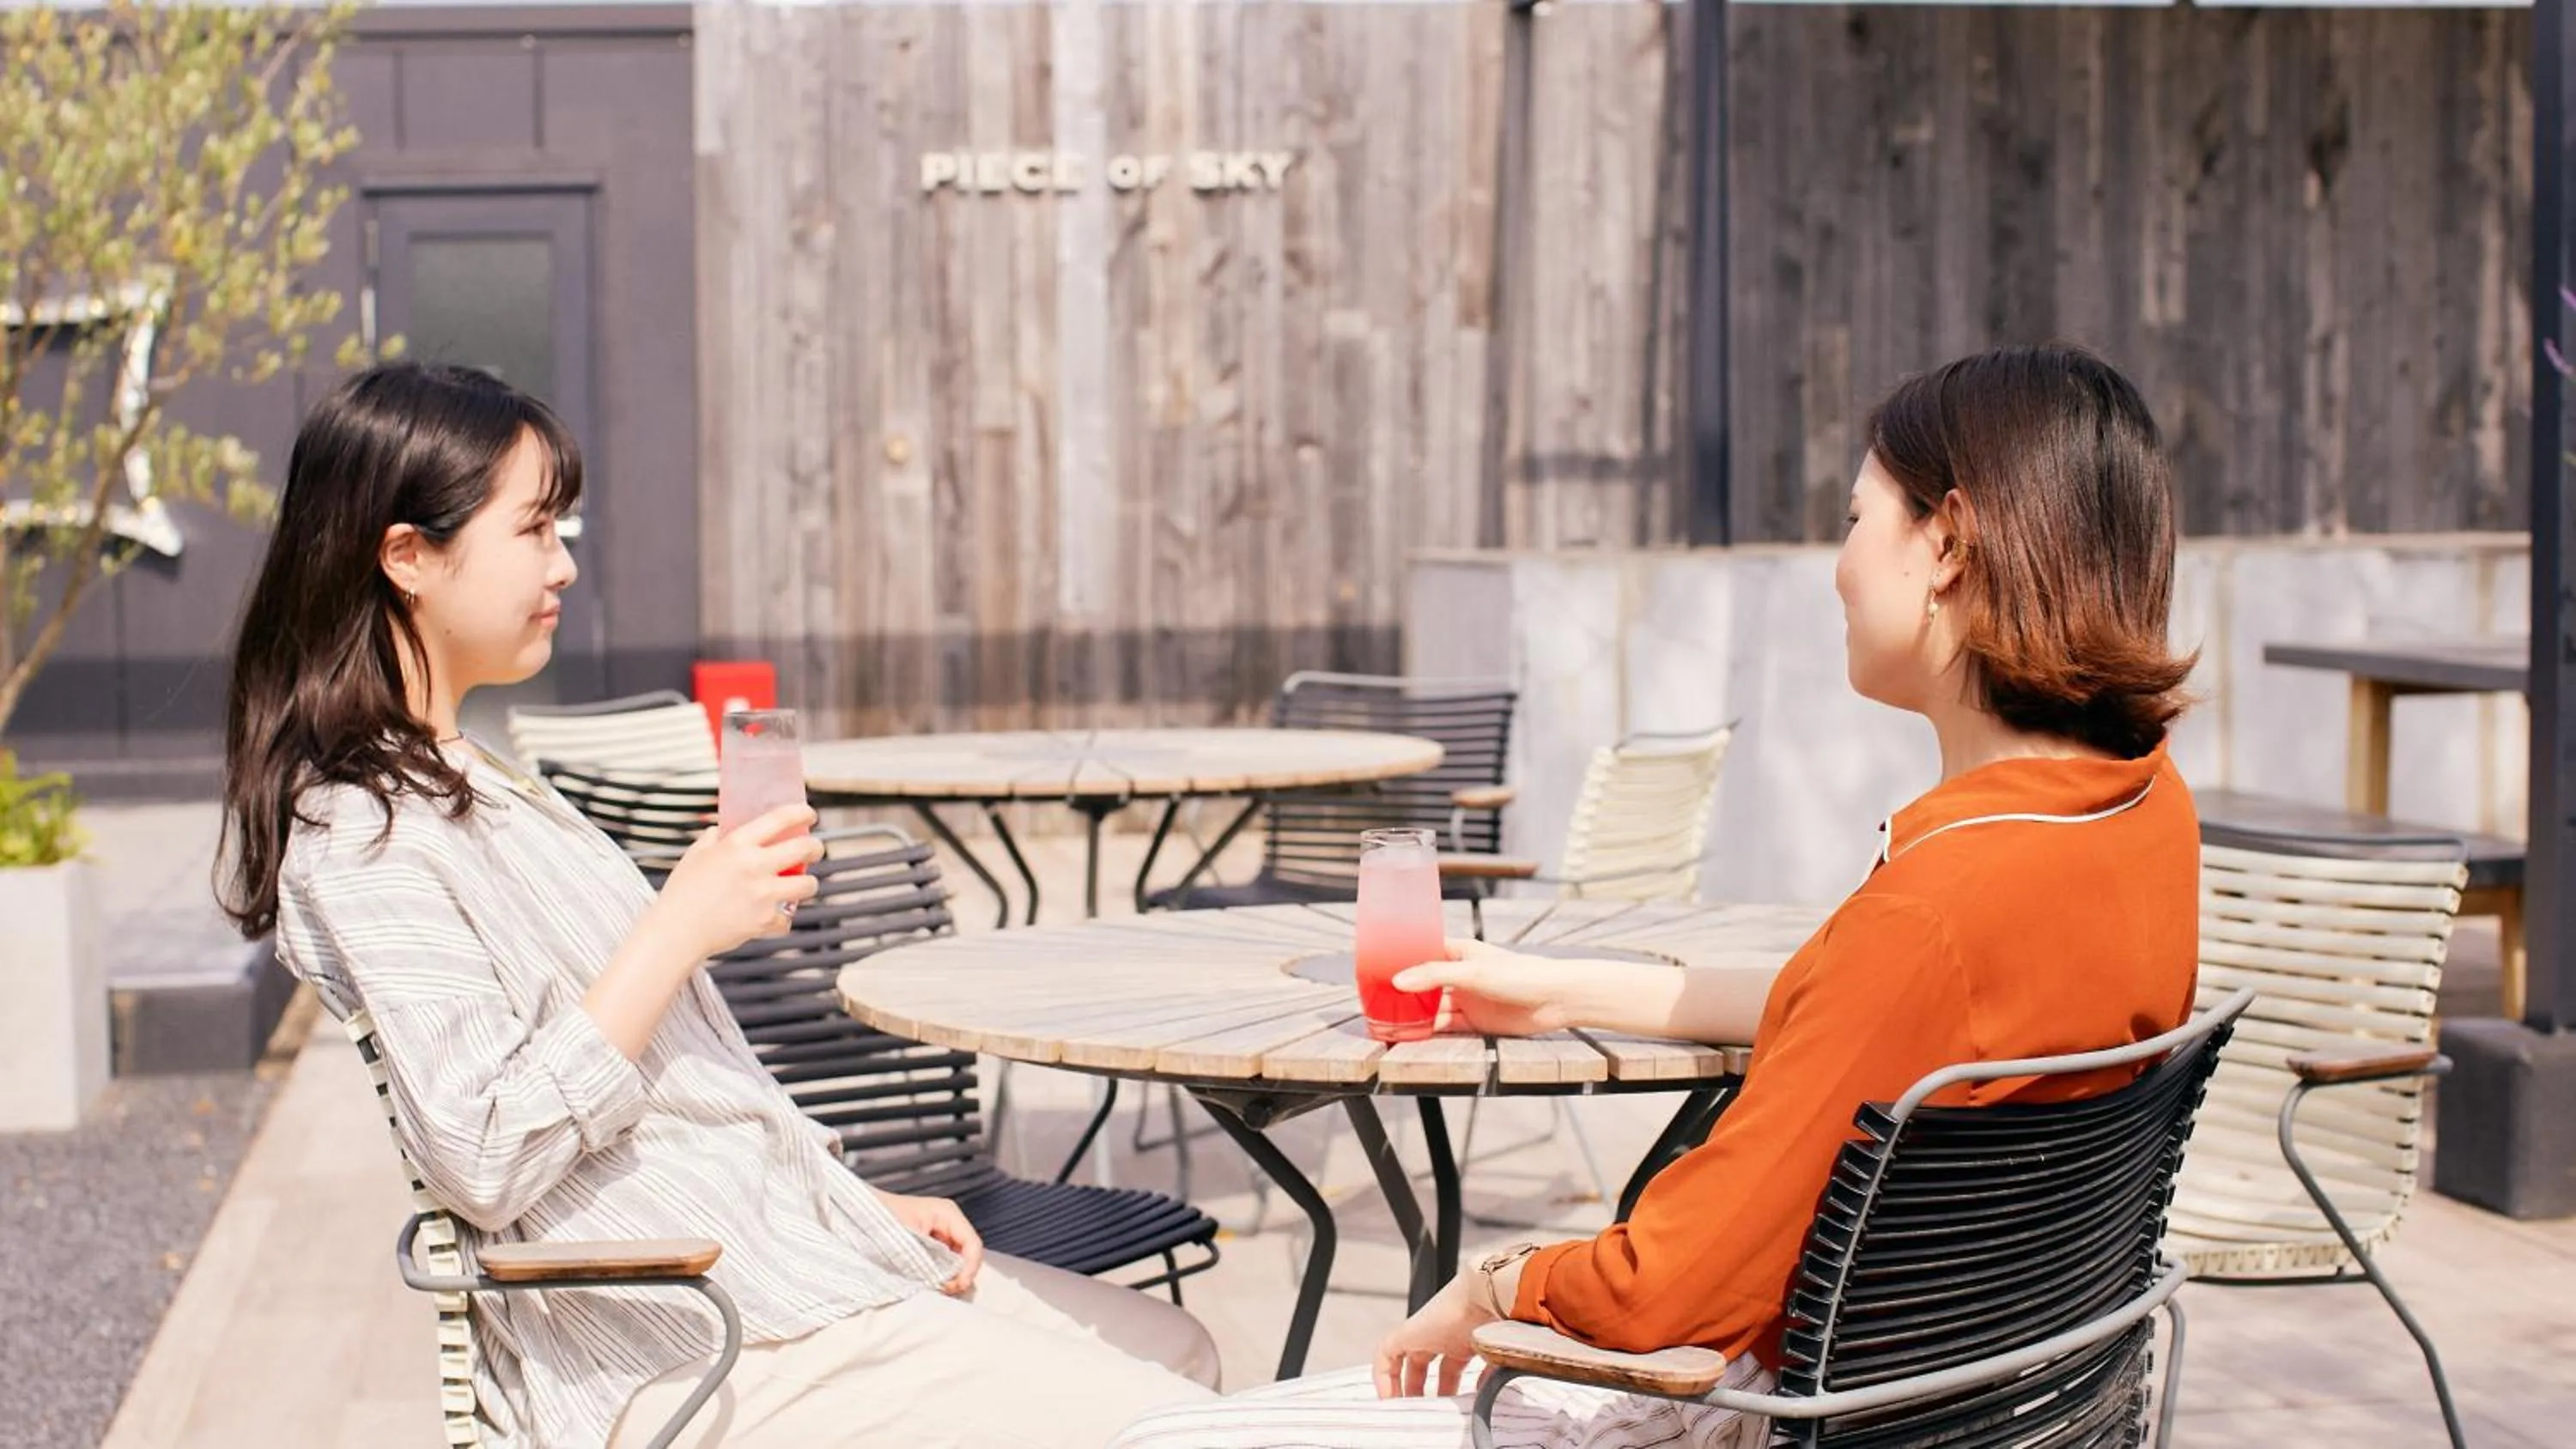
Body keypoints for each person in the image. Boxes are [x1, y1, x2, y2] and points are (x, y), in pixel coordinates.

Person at [1109, 343, 2205, 1449]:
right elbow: (1865, 1004)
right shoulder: (2137, 817)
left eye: (1855, 518)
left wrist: (1495, 1281)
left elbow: (1662, 1295)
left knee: (1163, 1437)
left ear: (1950, 546)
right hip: (1982, 1406)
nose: (1838, 566)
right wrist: (1563, 990)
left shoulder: (1938, 911)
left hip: (1766, 1407)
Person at [216, 362, 1221, 1449]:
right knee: (1179, 1422)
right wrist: (676, 925)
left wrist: (847, 1197)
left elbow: (684, 1095)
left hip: (781, 1265)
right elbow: (487, 1153)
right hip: (685, 1336)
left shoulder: (480, 778)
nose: (563, 563)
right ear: (407, 555)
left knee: (1178, 1351)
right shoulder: (363, 834)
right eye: (534, 528)